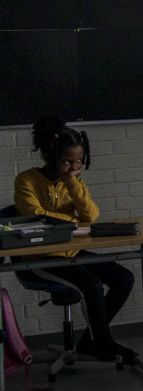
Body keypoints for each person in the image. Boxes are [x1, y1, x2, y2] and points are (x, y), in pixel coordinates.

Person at [13, 116, 136, 362]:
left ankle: (90, 342)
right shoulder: (27, 180)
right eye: (67, 161)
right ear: (50, 156)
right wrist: (71, 221)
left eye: (78, 162)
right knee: (91, 285)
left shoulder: (73, 181)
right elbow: (36, 217)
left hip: (71, 252)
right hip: (40, 257)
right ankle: (103, 341)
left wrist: (71, 183)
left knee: (124, 278)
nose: (73, 167)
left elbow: (90, 215)